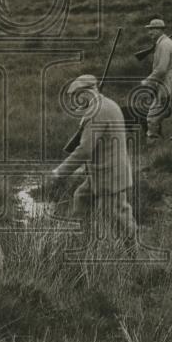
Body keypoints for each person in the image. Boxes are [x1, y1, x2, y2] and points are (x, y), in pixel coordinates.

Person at [52, 74, 137, 240]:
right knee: (82, 198)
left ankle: (133, 255)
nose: (74, 101)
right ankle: (84, 240)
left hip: (109, 175)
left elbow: (84, 150)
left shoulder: (97, 111)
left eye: (76, 97)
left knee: (118, 216)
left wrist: (59, 173)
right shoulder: (107, 104)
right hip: (104, 172)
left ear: (85, 93)